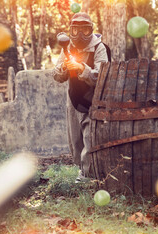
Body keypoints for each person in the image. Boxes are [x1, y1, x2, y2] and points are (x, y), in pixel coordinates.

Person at [53, 13, 109, 177]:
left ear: (91, 30)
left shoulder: (99, 48)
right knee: (75, 139)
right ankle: (82, 170)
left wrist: (81, 68)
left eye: (84, 30)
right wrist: (65, 66)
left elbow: (101, 76)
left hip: (93, 99)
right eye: (76, 30)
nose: (80, 35)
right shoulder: (68, 48)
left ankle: (89, 174)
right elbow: (57, 76)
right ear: (71, 30)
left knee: (89, 137)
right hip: (74, 98)